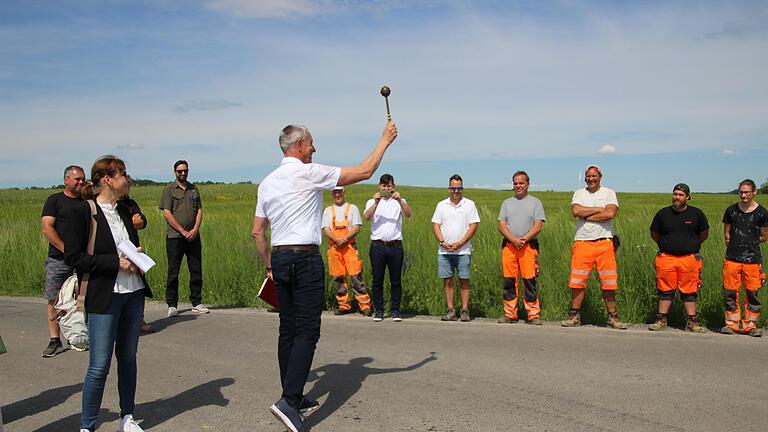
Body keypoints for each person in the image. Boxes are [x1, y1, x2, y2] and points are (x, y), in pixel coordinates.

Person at [252, 121, 398, 432]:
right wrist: (384, 140)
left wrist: (269, 265)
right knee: (307, 331)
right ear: (300, 146)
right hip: (305, 258)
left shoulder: (266, 182)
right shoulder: (310, 172)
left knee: (288, 330)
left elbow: (257, 232)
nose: (315, 149)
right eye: (312, 144)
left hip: (279, 257)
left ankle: (293, 393)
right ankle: (289, 402)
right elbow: (364, 172)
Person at [64, 155, 153, 432]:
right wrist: (116, 262)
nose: (128, 179)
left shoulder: (125, 211)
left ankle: (127, 417)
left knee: (128, 359)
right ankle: (87, 425)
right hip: (105, 295)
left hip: (133, 293)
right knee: (99, 365)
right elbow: (74, 258)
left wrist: (134, 255)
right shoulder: (84, 212)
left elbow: (127, 245)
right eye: (123, 174)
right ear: (107, 179)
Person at [562, 165, 627, 329]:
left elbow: (610, 214)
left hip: (605, 242)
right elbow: (576, 211)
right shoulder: (579, 193)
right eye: (588, 176)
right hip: (582, 242)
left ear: (600, 177)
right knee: (577, 281)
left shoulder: (609, 193)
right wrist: (599, 209)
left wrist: (587, 216)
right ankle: (574, 315)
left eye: (594, 176)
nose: (591, 179)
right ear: (585, 178)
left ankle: (613, 317)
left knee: (609, 282)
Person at [648, 183, 709, 332]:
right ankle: (661, 320)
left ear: (688, 197)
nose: (677, 197)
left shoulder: (696, 214)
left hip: (689, 259)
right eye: (675, 194)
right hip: (666, 258)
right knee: (664, 289)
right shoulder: (663, 214)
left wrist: (690, 245)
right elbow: (654, 234)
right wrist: (666, 245)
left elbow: (704, 234)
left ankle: (692, 322)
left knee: (690, 291)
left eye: (681, 195)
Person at [40, 165, 86, 357]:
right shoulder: (55, 200)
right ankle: (54, 339)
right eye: (77, 179)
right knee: (54, 298)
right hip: (59, 259)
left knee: (83, 298)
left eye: (83, 179)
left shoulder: (87, 202)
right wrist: (67, 250)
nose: (81, 182)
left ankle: (80, 336)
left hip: (83, 259)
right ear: (66, 180)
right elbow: (47, 228)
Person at [159, 160, 208, 317]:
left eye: (185, 171)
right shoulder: (169, 190)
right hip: (175, 237)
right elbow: (167, 213)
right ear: (175, 172)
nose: (183, 173)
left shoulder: (194, 189)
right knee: (174, 271)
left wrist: (195, 229)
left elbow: (199, 210)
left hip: (193, 236)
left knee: (196, 269)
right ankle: (172, 305)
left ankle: (196, 302)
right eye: (180, 171)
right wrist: (182, 230)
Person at [497, 171, 546, 325]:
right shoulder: (507, 203)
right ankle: (510, 314)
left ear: (527, 184)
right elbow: (501, 224)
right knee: (509, 281)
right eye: (515, 183)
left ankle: (533, 314)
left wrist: (523, 239)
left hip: (528, 247)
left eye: (521, 183)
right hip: (509, 247)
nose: (518, 186)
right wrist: (513, 239)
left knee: (529, 280)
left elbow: (538, 226)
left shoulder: (535, 202)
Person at [720, 179, 768, 336]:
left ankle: (750, 325)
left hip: (753, 260)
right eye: (741, 192)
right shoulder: (731, 211)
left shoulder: (762, 213)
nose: (743, 195)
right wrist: (732, 242)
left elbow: (764, 236)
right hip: (732, 258)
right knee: (730, 291)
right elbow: (727, 233)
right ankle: (731, 324)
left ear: (754, 192)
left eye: (747, 192)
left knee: (752, 292)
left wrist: (749, 243)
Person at [364, 174, 413, 322]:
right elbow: (366, 217)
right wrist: (376, 203)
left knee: (396, 280)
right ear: (379, 186)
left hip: (395, 245)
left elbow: (409, 214)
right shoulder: (372, 201)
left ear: (393, 186)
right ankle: (378, 310)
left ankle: (395, 310)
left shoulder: (400, 201)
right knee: (377, 280)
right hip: (378, 245)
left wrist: (399, 200)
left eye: (389, 186)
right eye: (384, 186)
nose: (386, 188)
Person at [431, 174, 480, 322]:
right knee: (447, 280)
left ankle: (465, 310)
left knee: (464, 280)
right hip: (445, 250)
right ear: (449, 189)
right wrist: (442, 242)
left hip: (463, 250)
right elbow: (436, 225)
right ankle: (451, 310)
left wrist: (461, 242)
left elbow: (473, 226)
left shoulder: (469, 204)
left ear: (462, 189)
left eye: (459, 188)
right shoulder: (441, 205)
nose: (456, 191)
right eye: (453, 188)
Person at [322, 186, 372, 316]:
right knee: (338, 278)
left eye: (339, 192)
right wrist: (337, 240)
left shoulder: (352, 208)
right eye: (335, 192)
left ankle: (365, 306)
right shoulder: (328, 210)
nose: (337, 194)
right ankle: (344, 305)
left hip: (349, 247)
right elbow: (326, 229)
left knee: (356, 276)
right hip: (334, 249)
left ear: (344, 193)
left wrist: (344, 239)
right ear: (332, 194)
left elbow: (356, 227)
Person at [119, 176, 154, 333]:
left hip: (133, 250)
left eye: (129, 186)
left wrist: (140, 221)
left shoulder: (130, 204)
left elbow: (141, 220)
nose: (128, 188)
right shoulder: (107, 205)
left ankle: (139, 320)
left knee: (139, 287)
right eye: (126, 185)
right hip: (117, 254)